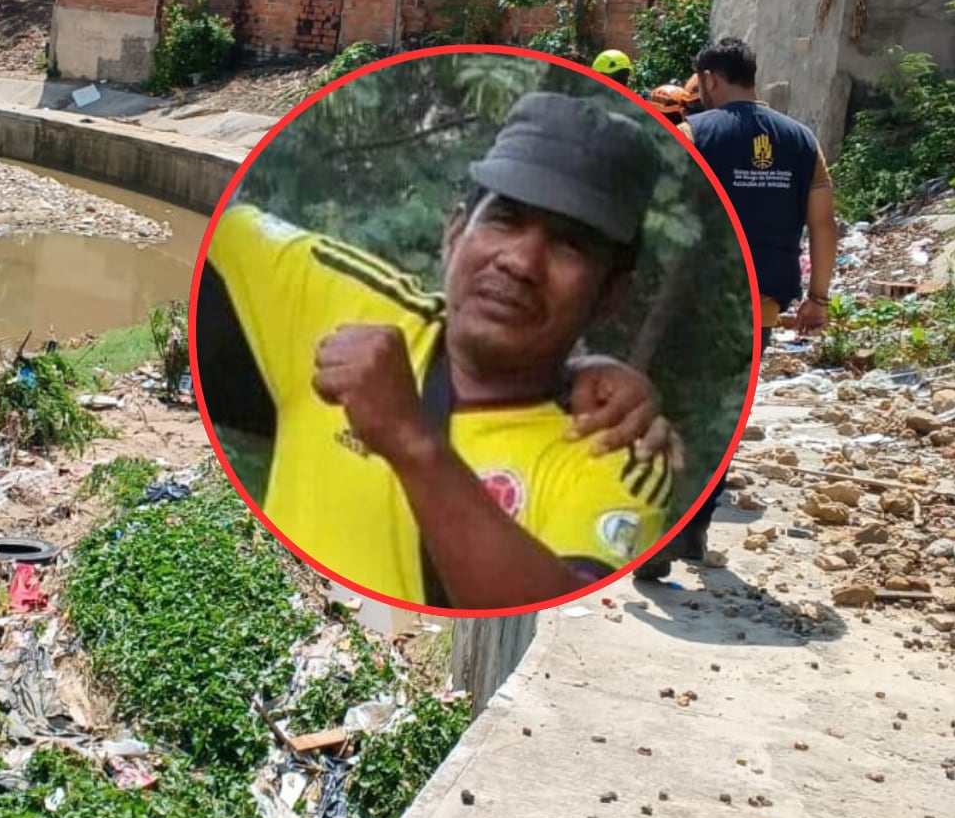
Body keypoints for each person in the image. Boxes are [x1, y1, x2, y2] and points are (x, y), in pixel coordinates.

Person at [206, 92, 679, 610]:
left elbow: (564, 632)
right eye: (505, 219)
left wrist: (410, 439)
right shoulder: (342, 300)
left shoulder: (617, 449)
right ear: (455, 234)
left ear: (610, 293)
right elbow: (212, 224)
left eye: (569, 245)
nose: (521, 261)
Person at [637, 37, 839, 580]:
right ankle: (694, 528)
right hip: (761, 310)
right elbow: (823, 223)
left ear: (708, 79)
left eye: (698, 84)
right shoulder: (802, 141)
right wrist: (817, 297)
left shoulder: (693, 134)